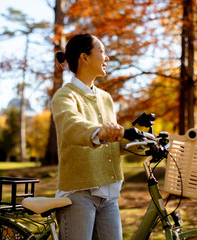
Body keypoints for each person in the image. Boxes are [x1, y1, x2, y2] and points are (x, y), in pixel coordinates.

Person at [51, 33, 139, 240]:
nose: (107, 57)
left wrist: (138, 143)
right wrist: (98, 131)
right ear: (85, 57)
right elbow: (71, 126)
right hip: (79, 194)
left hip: (108, 195)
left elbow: (112, 141)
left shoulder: (106, 99)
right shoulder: (65, 96)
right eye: (102, 51)